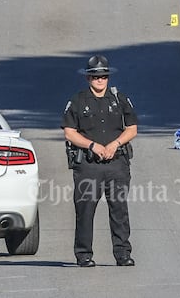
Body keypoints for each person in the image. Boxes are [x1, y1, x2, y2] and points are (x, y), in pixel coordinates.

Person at [61, 55, 138, 267]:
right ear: (88, 78)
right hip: (88, 165)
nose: (100, 80)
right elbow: (69, 132)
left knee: (119, 209)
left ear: (108, 77)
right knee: (85, 210)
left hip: (117, 164)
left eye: (103, 76)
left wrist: (115, 144)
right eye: (96, 77)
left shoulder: (119, 99)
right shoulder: (77, 101)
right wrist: (92, 146)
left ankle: (123, 254)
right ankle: (84, 254)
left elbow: (132, 128)